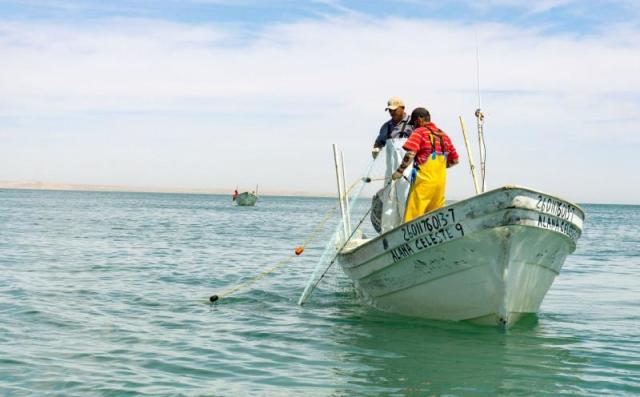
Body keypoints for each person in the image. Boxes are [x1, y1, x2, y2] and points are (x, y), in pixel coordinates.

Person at [392, 107, 459, 222]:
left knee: (413, 219)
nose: (413, 127)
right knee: (435, 219)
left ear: (419, 119)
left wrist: (400, 171)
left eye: (413, 123)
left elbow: (411, 153)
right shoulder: (444, 135)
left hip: (423, 185)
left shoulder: (420, 132)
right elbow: (455, 160)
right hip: (439, 185)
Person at [371, 96, 414, 232]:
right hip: (391, 172)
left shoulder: (412, 124)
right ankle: (388, 233)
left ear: (402, 108)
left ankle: (407, 230)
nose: (392, 113)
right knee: (389, 202)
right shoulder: (386, 126)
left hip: (408, 171)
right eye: (390, 110)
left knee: (405, 199)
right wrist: (376, 148)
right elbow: (379, 141)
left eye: (394, 110)